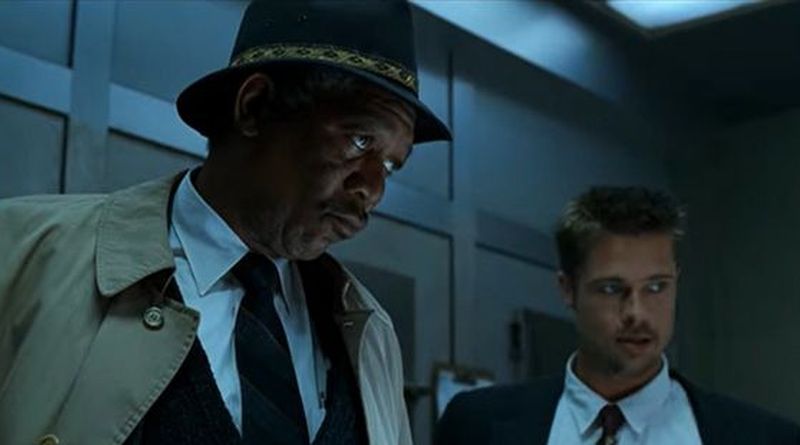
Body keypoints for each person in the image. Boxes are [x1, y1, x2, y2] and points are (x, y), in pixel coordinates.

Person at [0, 1, 451, 444]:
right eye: (360, 141)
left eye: (390, 166)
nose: (373, 190)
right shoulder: (23, 253)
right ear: (254, 107)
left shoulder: (371, 335)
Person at [435, 187, 800, 445]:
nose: (637, 313)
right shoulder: (476, 426)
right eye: (612, 289)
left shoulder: (765, 438)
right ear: (568, 289)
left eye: (656, 287)